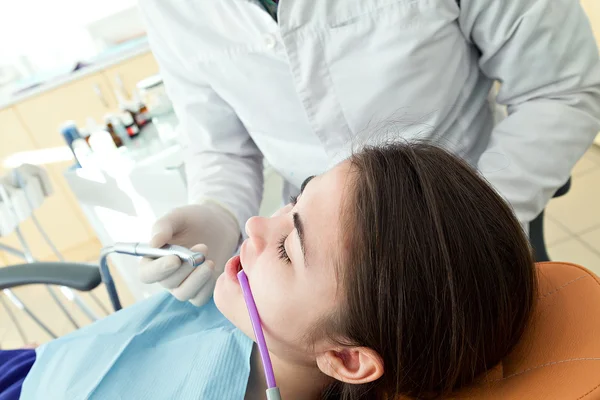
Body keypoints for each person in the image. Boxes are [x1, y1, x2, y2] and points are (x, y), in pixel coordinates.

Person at [137, 0, 600, 307]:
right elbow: (220, 145)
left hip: (478, 200)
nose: (254, 228)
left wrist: (471, 225)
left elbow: (561, 88)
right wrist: (217, 212)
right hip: (322, 262)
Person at [5, 142, 536, 399]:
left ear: (347, 358)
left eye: (288, 248)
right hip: (34, 366)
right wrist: (217, 209)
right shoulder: (255, 307)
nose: (255, 225)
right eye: (293, 201)